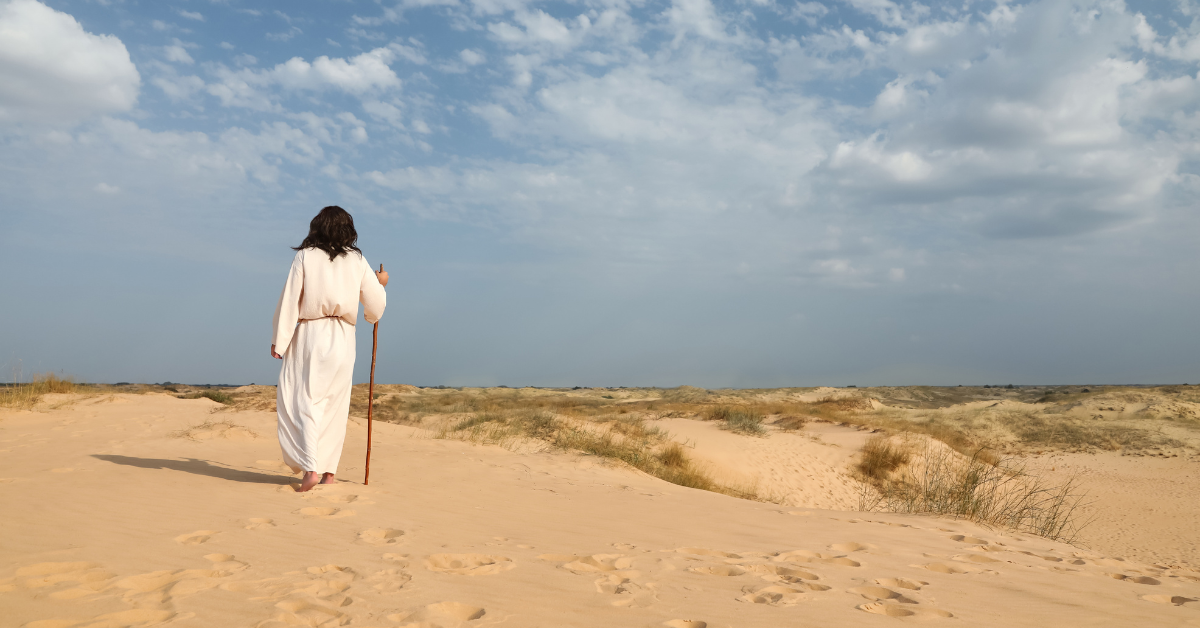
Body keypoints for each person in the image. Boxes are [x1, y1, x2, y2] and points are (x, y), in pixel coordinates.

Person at [270, 206, 388, 492]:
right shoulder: (357, 260)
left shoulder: (306, 257)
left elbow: (290, 299)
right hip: (345, 335)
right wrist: (381, 284)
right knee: (336, 402)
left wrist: (280, 339)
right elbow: (375, 307)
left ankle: (311, 467)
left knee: (305, 400)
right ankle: (329, 473)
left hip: (311, 332)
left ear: (317, 228)